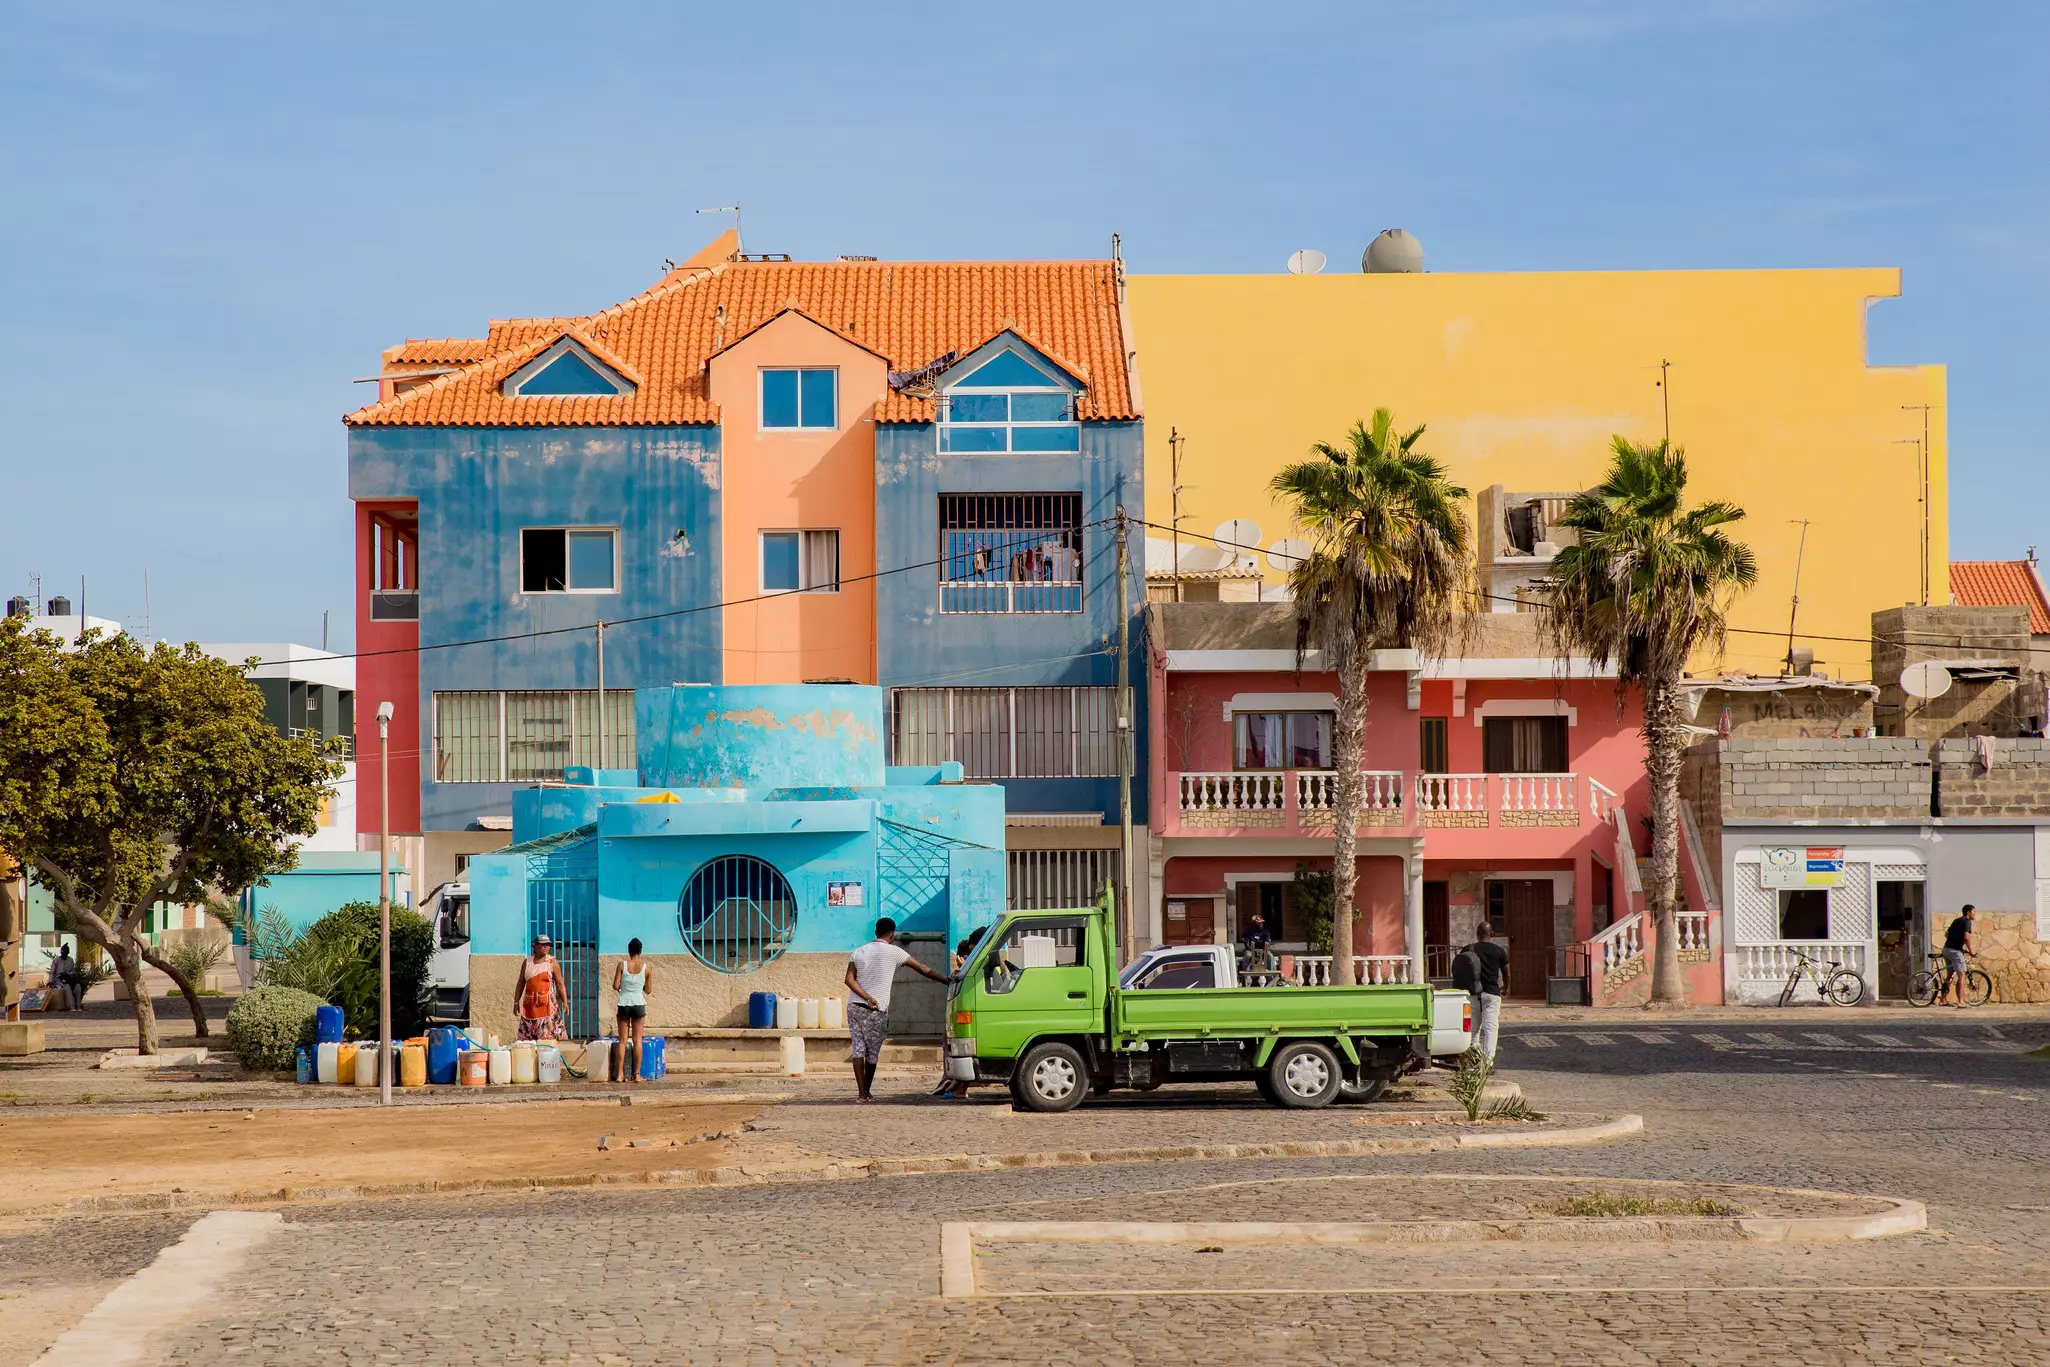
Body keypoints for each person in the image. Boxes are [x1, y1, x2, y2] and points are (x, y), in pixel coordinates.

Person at [844, 917, 947, 1103]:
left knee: (858, 1049)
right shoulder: (894, 952)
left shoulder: (859, 951)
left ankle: (862, 1095)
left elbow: (849, 980)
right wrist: (946, 980)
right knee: (872, 1053)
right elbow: (922, 969)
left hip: (854, 1006)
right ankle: (865, 1092)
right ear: (891, 934)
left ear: (875, 932)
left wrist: (865, 996)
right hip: (876, 1010)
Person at [1464, 923, 1510, 1060]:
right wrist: (1505, 987)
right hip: (1492, 993)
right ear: (1491, 934)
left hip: (1473, 993)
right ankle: (1487, 1061)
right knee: (1490, 1027)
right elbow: (1507, 973)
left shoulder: (1468, 949)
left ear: (1477, 933)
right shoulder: (1499, 951)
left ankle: (1473, 1058)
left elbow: (1461, 969)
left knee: (1474, 1027)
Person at [513, 934, 568, 1041]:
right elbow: (520, 982)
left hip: (547, 1006)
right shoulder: (527, 962)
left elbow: (560, 984)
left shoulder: (552, 962)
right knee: (528, 1041)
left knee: (548, 1039)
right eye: (543, 944)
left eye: (548, 945)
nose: (546, 947)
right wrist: (516, 1002)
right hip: (530, 1006)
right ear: (535, 946)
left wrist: (565, 1002)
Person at [611, 938, 652, 1081]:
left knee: (622, 1040)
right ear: (641, 951)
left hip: (624, 1003)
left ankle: (620, 1074)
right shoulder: (647, 968)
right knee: (637, 1040)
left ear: (629, 950)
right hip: (638, 1004)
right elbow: (648, 990)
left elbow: (615, 985)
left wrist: (623, 988)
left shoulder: (621, 965)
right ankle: (637, 1075)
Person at [1941, 904, 1976, 1008]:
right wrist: (1970, 951)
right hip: (1955, 951)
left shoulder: (1956, 920)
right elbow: (1966, 937)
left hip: (1946, 949)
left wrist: (1957, 945)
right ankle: (1961, 1001)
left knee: (1950, 975)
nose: (1974, 914)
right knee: (1962, 974)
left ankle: (1943, 999)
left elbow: (1947, 934)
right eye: (1973, 911)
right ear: (1968, 912)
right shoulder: (1967, 921)